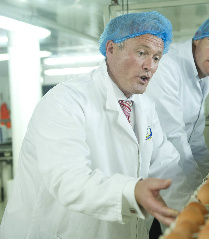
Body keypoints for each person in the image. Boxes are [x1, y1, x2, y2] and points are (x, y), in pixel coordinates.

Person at [0, 11, 192, 239]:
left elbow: (166, 164)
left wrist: (196, 206)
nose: (150, 65)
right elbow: (69, 180)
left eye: (157, 57)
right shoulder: (65, 101)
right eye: (142, 53)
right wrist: (131, 191)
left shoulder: (144, 106)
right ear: (111, 49)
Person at [146, 16, 209, 189]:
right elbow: (173, 136)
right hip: (151, 172)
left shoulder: (205, 76)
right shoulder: (166, 65)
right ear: (198, 37)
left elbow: (195, 138)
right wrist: (199, 188)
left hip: (172, 169)